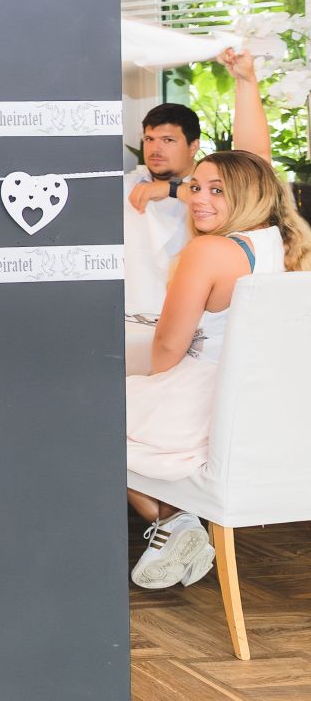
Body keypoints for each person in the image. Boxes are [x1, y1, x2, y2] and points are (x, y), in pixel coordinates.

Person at [125, 149, 310, 589]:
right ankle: (174, 524)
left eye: (217, 190)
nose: (198, 199)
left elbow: (167, 349)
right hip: (265, 416)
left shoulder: (210, 250)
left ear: (248, 195)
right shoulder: (284, 245)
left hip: (200, 407)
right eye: (195, 187)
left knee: (80, 418)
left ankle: (171, 520)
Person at [125, 49, 268, 316]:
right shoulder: (128, 185)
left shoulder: (218, 195)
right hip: (133, 318)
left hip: (199, 323)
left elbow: (256, 160)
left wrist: (171, 190)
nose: (155, 149)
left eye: (168, 140)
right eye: (149, 139)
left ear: (194, 146)